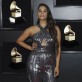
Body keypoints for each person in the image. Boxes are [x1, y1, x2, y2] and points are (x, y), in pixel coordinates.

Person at [16, 3, 61, 82]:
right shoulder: (31, 29)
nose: (42, 13)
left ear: (48, 13)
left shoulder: (55, 29)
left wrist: (57, 66)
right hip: (34, 63)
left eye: (45, 11)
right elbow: (19, 40)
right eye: (40, 11)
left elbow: (58, 48)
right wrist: (30, 47)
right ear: (37, 14)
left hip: (50, 64)